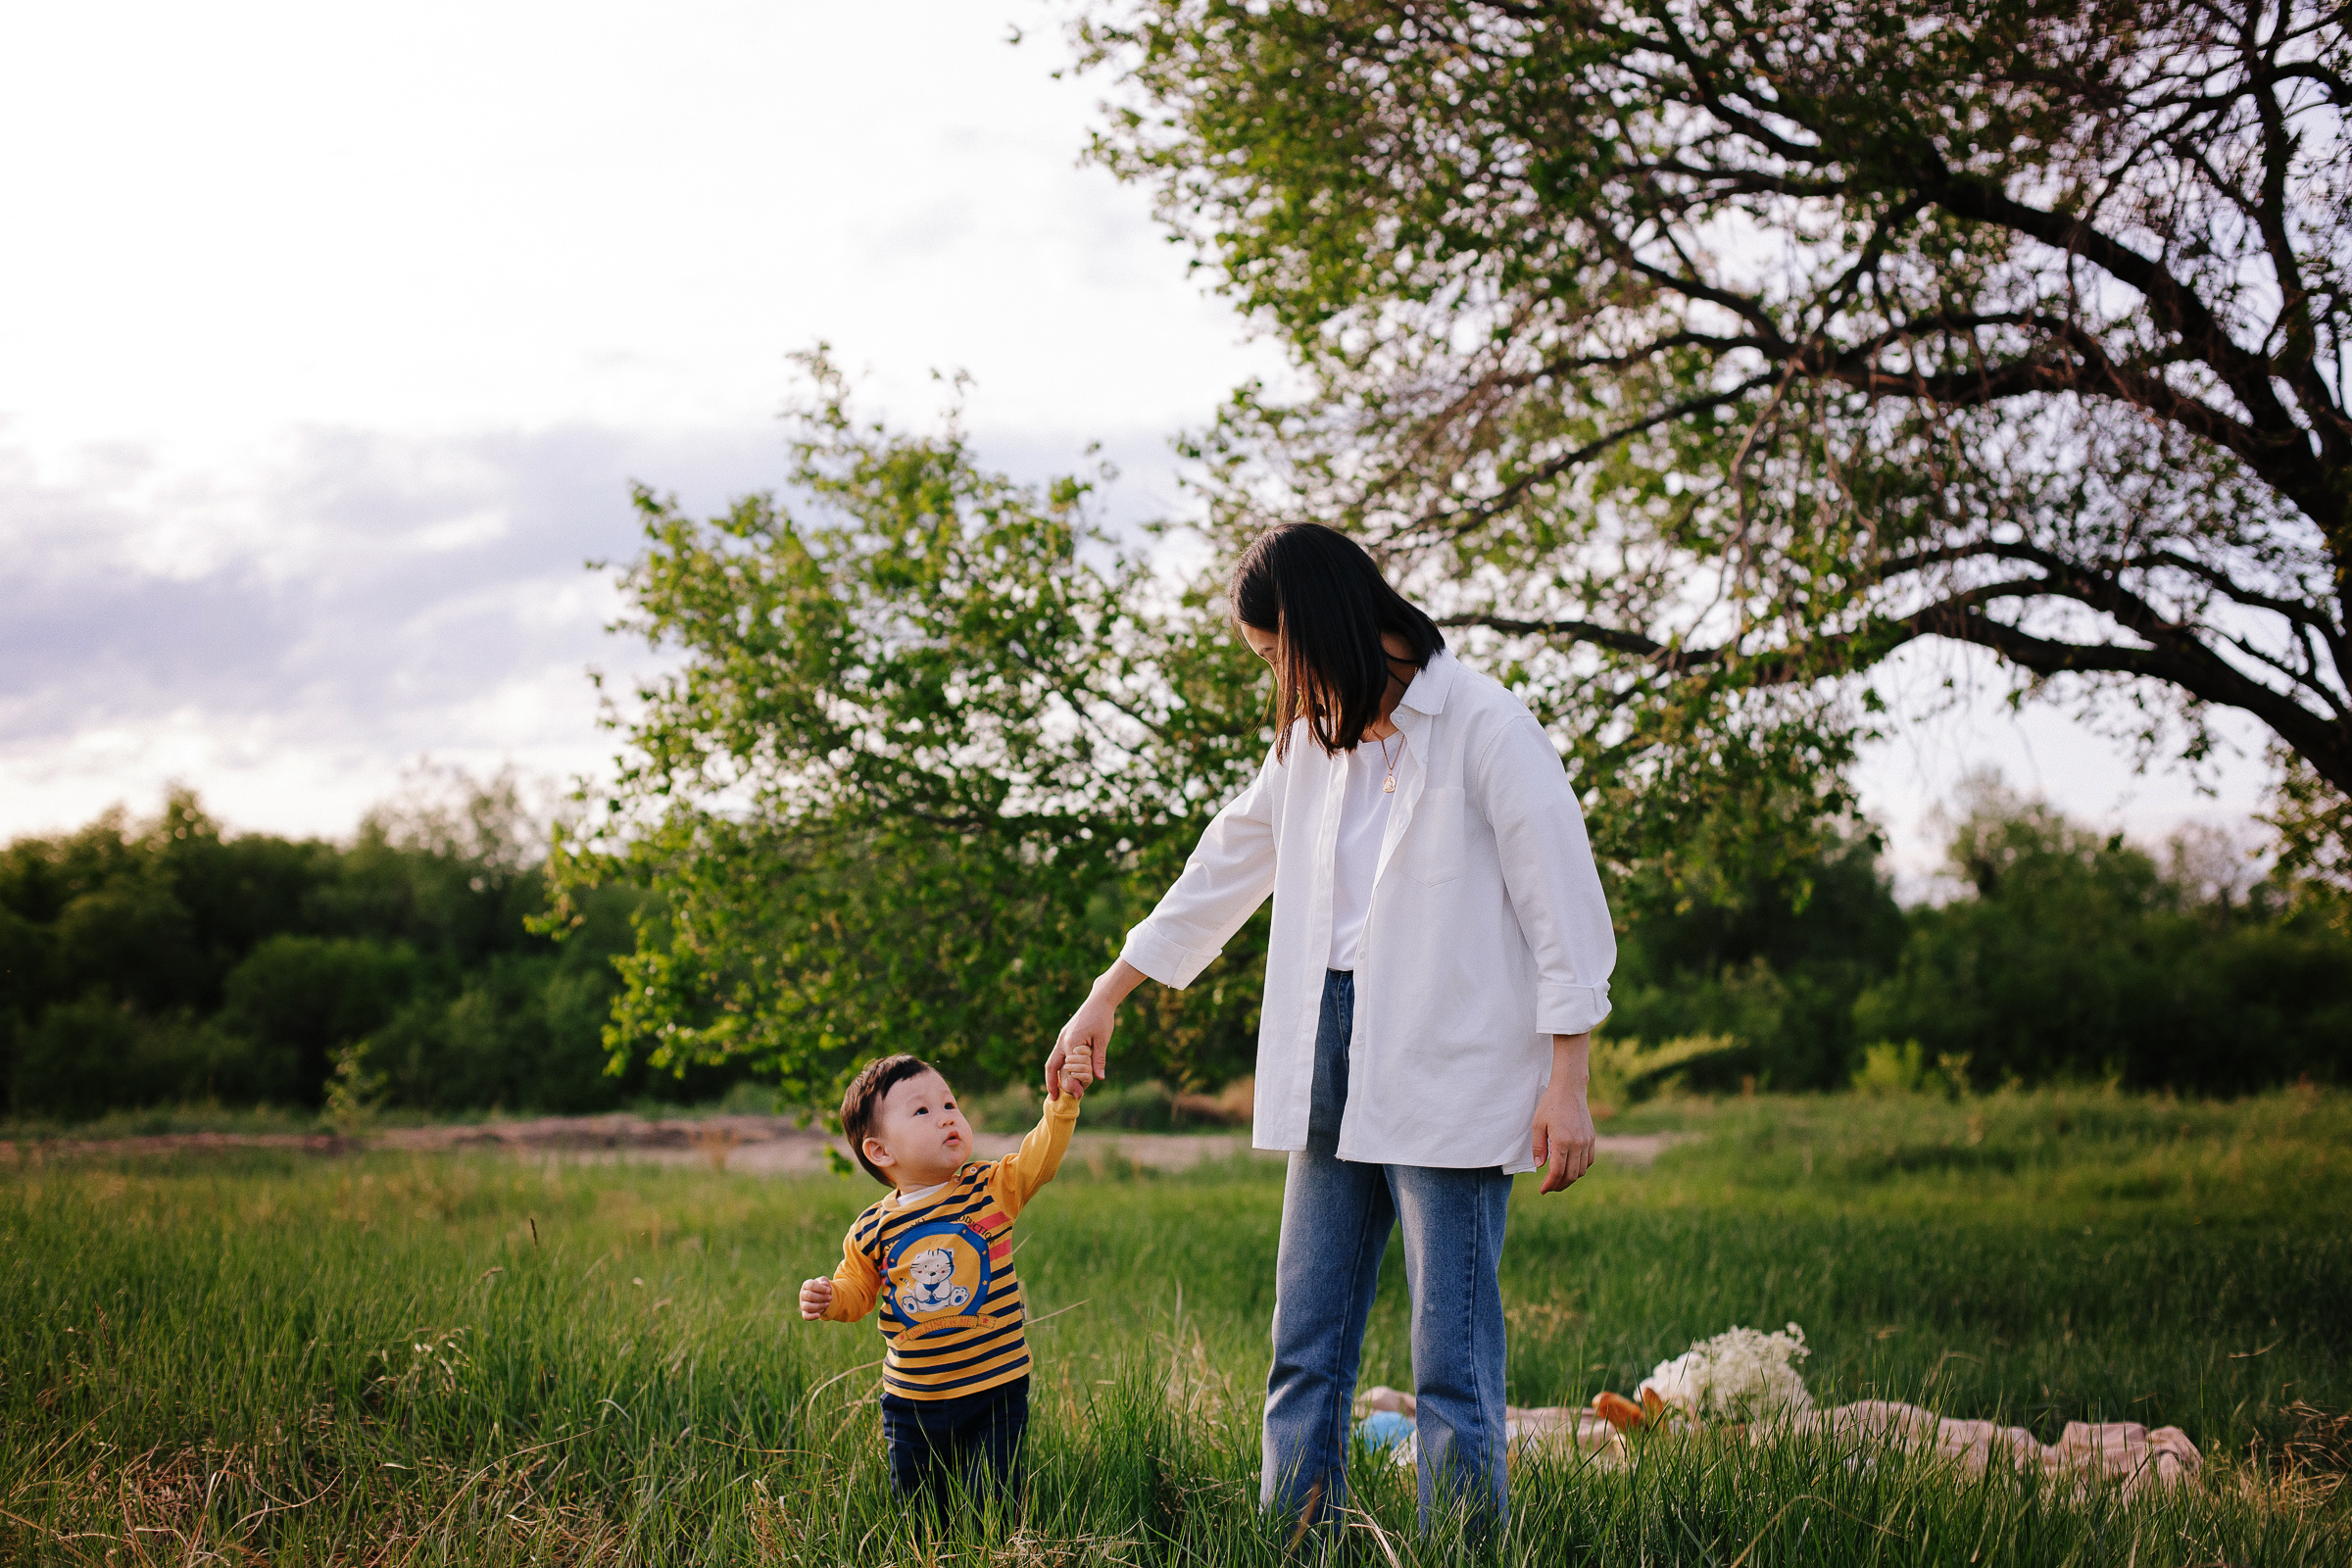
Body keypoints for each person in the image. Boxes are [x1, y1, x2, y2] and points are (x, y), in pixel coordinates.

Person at [1047, 522, 1615, 1534]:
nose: (1281, 684)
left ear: (1326, 630)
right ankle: (1296, 1545)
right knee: (1306, 1342)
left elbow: (1562, 907)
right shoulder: (1312, 743)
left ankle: (1460, 1553)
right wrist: (1109, 989)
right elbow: (1223, 865)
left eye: (1278, 659)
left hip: (1451, 1055)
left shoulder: (1485, 724)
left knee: (1452, 1357)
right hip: (1328, 1040)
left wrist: (1566, 1079)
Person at [800, 1043, 1092, 1517]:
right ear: (879, 1150)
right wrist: (831, 1297)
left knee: (993, 1505)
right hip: (913, 1401)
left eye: (950, 1104)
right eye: (922, 1110)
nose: (945, 1117)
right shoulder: (871, 1229)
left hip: (996, 1387)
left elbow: (1041, 1157)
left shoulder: (988, 1189)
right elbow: (858, 1294)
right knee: (920, 1513)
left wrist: (1062, 1103)